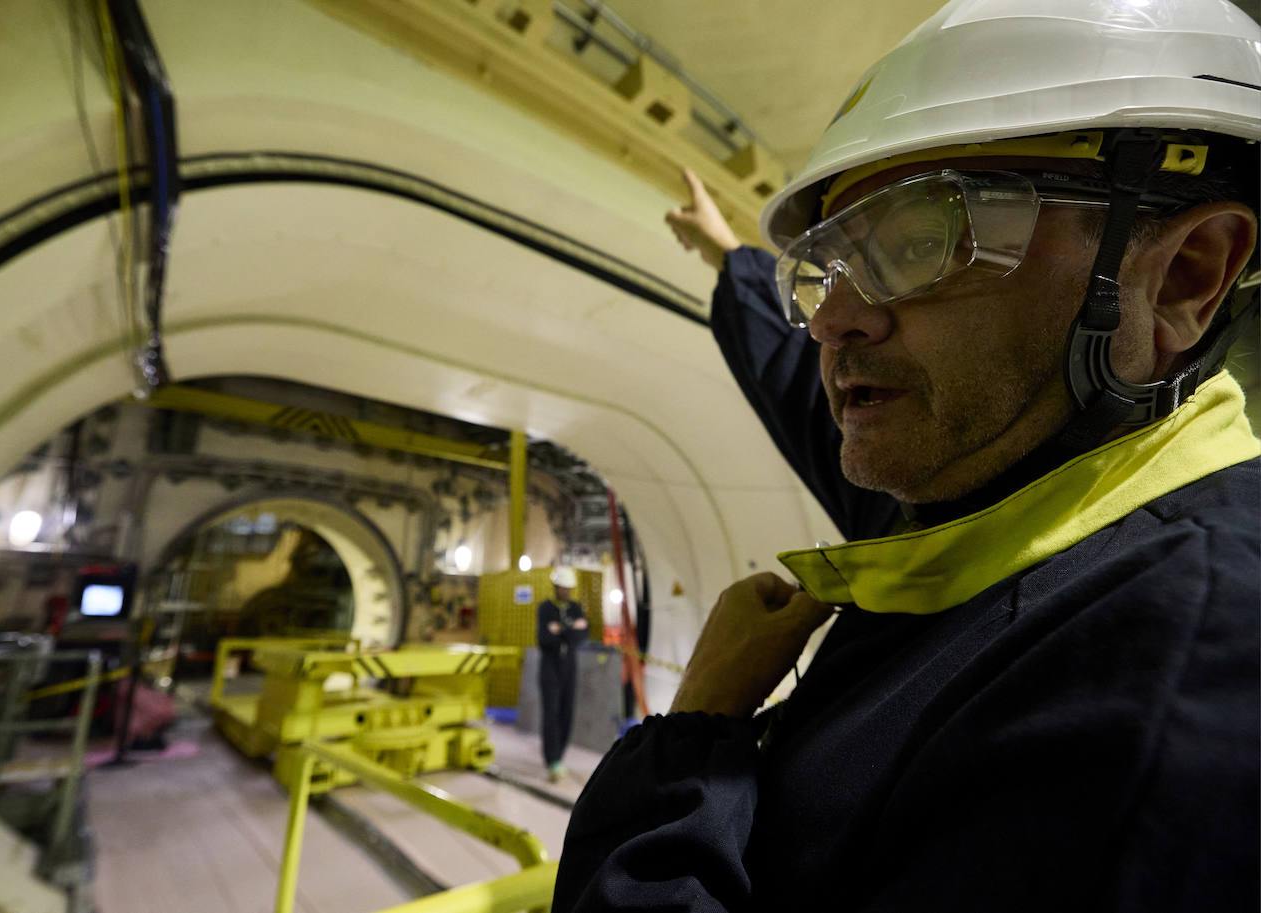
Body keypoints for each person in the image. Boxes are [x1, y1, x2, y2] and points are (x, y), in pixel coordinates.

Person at [553, 1, 1260, 910]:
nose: (833, 321)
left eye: (926, 240)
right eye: (829, 267)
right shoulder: (989, 495)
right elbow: (808, 392)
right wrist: (732, 259)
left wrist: (692, 738)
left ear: (1186, 273)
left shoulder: (1178, 687)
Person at [538, 565, 589, 781]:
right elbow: (544, 639)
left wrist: (561, 629)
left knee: (567, 711)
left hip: (569, 665)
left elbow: (581, 635)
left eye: (568, 588)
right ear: (555, 587)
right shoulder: (545, 608)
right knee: (551, 711)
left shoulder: (576, 608)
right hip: (550, 665)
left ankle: (560, 755)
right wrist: (571, 630)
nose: (565, 591)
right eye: (562, 587)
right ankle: (552, 760)